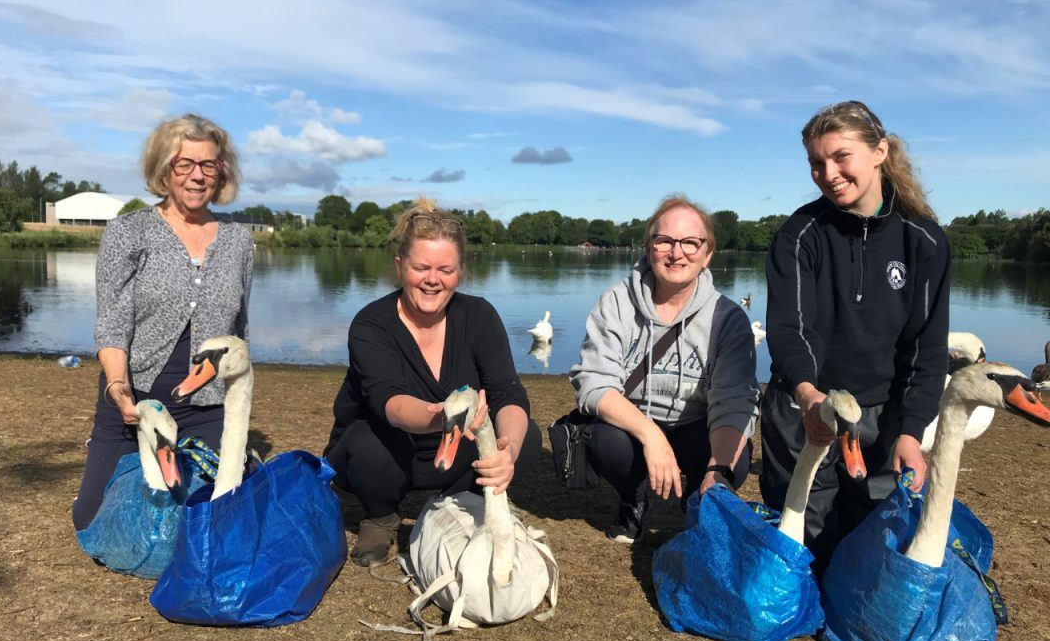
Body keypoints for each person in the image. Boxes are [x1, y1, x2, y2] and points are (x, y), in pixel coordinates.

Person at [761, 100, 950, 569]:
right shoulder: (799, 235)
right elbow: (789, 329)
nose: (828, 173)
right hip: (803, 407)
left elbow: (926, 349)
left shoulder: (923, 240)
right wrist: (809, 397)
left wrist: (911, 431)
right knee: (808, 541)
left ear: (879, 152)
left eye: (840, 156)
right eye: (816, 163)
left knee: (869, 542)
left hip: (880, 416)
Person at [325, 198, 542, 566]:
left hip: (455, 451)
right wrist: (443, 416)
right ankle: (381, 516)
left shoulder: (480, 317)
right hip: (394, 448)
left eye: (445, 269)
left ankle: (458, 505)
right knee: (364, 441)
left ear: (461, 272)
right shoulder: (370, 324)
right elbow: (388, 401)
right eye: (421, 267)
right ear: (399, 267)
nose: (432, 280)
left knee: (527, 434)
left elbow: (507, 392)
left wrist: (509, 454)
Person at [71, 114, 253, 531]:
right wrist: (119, 389)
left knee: (213, 521)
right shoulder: (126, 233)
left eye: (209, 165)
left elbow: (238, 333)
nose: (197, 176)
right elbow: (113, 324)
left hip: (205, 407)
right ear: (163, 169)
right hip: (135, 401)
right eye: (183, 164)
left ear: (220, 172)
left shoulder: (239, 240)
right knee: (93, 520)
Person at [569, 195, 760, 543]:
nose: (677, 253)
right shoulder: (616, 302)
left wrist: (717, 468)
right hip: (634, 424)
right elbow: (593, 383)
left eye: (690, 242)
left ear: (707, 254)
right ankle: (633, 500)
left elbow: (734, 402)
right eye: (665, 241)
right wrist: (651, 435)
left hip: (697, 427)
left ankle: (698, 500)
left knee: (737, 455)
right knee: (605, 440)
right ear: (648, 247)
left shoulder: (729, 319)